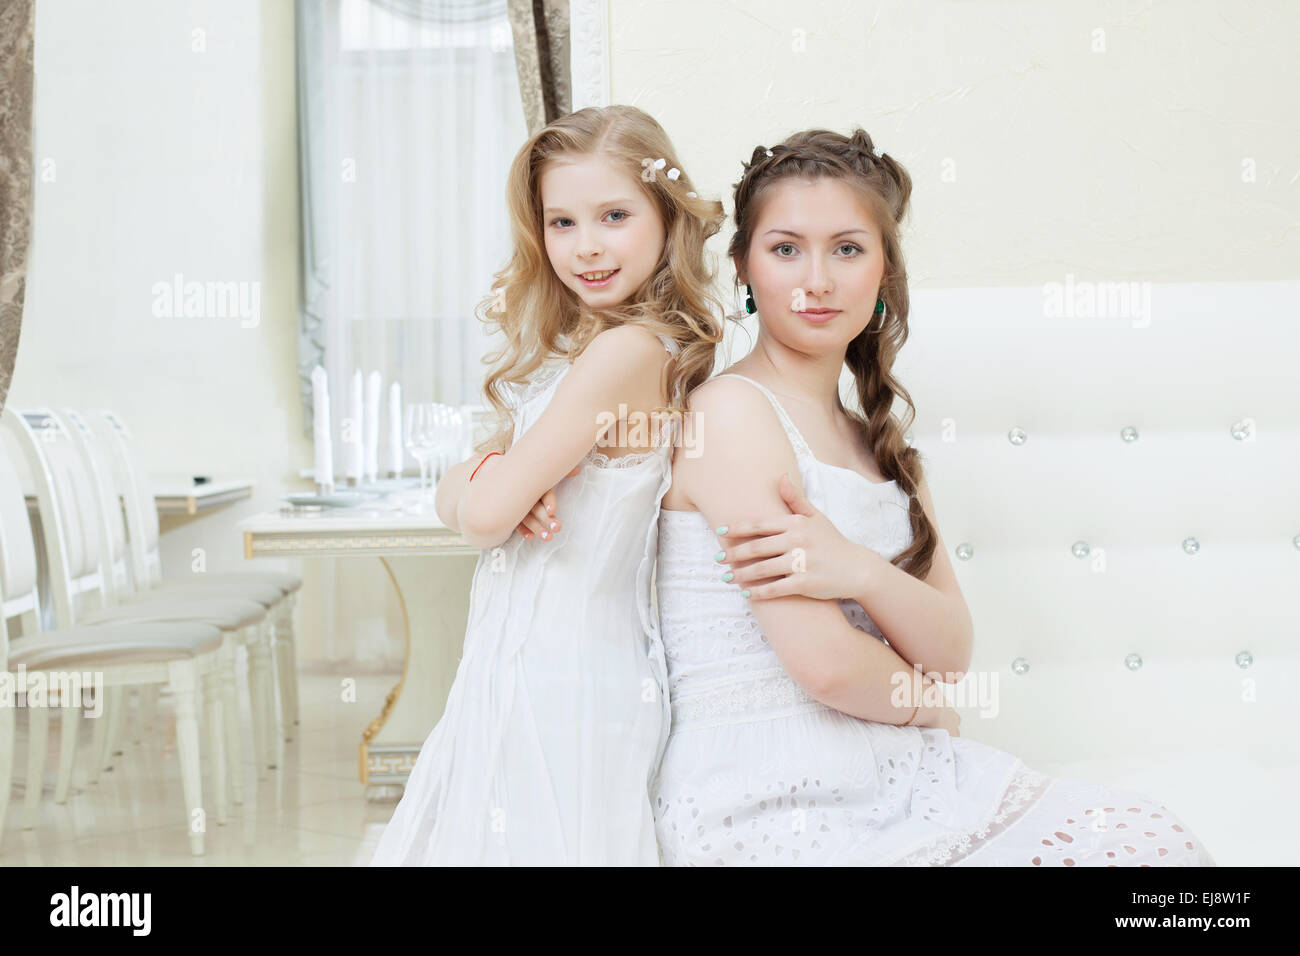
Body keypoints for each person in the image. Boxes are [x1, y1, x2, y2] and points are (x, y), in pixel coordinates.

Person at [650, 127, 1216, 867]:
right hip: (770, 783)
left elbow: (951, 647)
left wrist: (857, 570)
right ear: (745, 269)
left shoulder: (880, 446)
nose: (816, 280)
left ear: (885, 273)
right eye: (786, 248)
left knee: (1159, 847)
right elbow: (825, 665)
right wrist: (931, 710)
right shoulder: (731, 414)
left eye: (847, 249)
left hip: (892, 769)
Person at [369, 105, 725, 865]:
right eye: (561, 222)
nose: (586, 246)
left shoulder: (627, 353)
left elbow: (480, 515)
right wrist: (492, 477)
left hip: (567, 673)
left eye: (615, 215)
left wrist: (492, 480)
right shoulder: (593, 351)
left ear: (666, 217)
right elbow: (457, 494)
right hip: (525, 659)